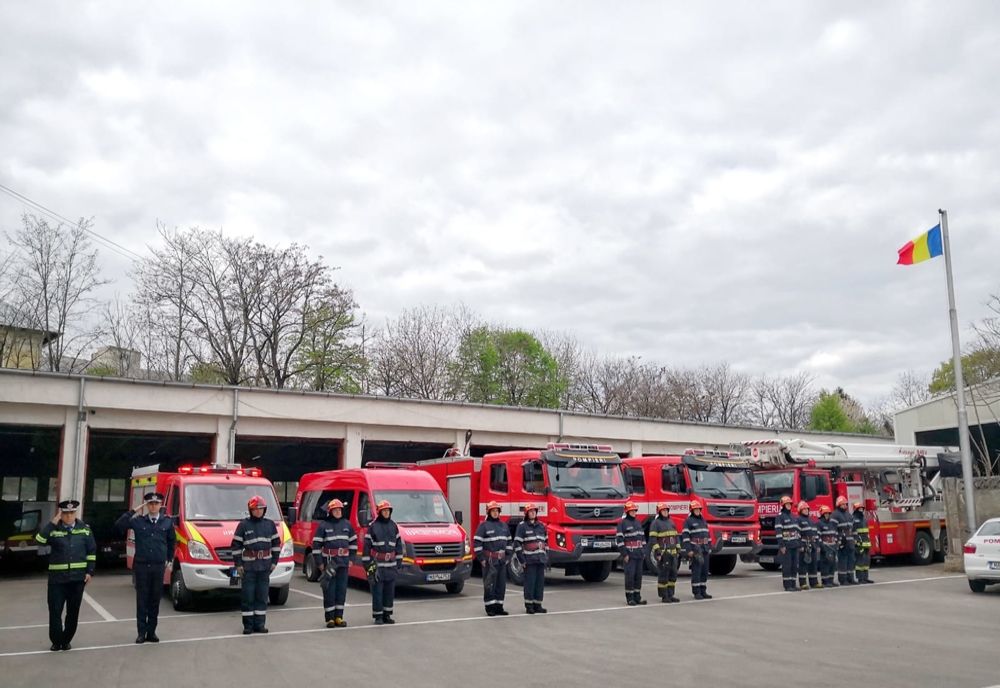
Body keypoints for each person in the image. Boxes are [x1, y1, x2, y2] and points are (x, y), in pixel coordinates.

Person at [34, 500, 96, 651]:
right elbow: (39, 540)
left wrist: (89, 572)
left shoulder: (85, 530)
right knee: (55, 611)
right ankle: (56, 641)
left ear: (76, 513)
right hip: (57, 580)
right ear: (61, 514)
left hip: (77, 579)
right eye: (66, 513)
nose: (69, 516)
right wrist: (52, 523)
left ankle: (66, 640)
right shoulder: (54, 529)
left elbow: (91, 552)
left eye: (72, 513)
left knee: (73, 612)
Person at [115, 492, 175, 643]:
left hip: (158, 566)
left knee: (155, 600)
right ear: (147, 505)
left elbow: (171, 541)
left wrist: (169, 559)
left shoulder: (167, 522)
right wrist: (133, 511)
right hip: (142, 566)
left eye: (156, 503)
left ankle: (151, 632)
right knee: (142, 600)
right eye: (150, 504)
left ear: (160, 505)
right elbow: (119, 525)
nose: (153, 506)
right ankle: (141, 632)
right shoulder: (138, 521)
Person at [231, 495, 280, 634]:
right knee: (248, 597)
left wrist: (274, 562)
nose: (258, 511)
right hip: (249, 568)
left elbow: (276, 544)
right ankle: (248, 625)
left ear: (264, 510)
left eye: (261, 509)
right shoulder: (243, 525)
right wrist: (238, 564)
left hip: (265, 567)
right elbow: (236, 546)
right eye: (255, 509)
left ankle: (260, 624)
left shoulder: (270, 525)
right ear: (250, 510)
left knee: (262, 597)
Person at [312, 498, 357, 627]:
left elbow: (353, 543)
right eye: (335, 510)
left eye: (339, 510)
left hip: (343, 563)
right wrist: (320, 563)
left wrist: (351, 559)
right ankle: (330, 618)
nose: (338, 512)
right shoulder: (323, 526)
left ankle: (339, 617)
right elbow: (316, 546)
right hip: (329, 563)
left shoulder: (347, 525)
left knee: (341, 591)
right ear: (330, 512)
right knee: (329, 591)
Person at [364, 499, 402, 624]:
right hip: (378, 565)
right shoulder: (373, 527)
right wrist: (367, 565)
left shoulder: (393, 526)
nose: (386, 513)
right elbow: (367, 547)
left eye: (388, 510)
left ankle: (387, 615)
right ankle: (378, 616)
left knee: (389, 592)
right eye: (384, 511)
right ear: (379, 512)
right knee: (377, 592)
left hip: (391, 565)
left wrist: (399, 561)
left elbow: (398, 545)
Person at [474, 500, 512, 616]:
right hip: (489, 561)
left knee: (501, 585)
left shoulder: (504, 526)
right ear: (489, 512)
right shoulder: (483, 526)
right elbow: (477, 543)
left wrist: (508, 557)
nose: (495, 513)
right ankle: (490, 607)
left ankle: (499, 607)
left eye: (497, 511)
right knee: (490, 584)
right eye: (493, 511)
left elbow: (509, 542)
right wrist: (481, 559)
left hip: (501, 561)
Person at [513, 503, 548, 614]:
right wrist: (522, 560)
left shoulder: (541, 526)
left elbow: (546, 542)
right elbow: (517, 544)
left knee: (539, 584)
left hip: (540, 560)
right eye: (530, 511)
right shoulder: (522, 526)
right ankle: (529, 605)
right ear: (526, 513)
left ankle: (538, 604)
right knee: (530, 583)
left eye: (534, 511)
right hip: (529, 561)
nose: (533, 513)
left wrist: (546, 558)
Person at [648, 502, 681, 603]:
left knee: (673, 574)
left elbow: (676, 536)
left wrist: (678, 548)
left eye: (666, 510)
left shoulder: (671, 522)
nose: (665, 512)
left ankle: (671, 594)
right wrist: (658, 552)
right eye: (663, 510)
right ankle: (664, 596)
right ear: (659, 512)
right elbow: (653, 540)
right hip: (663, 554)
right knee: (664, 575)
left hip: (673, 554)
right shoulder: (655, 523)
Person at [616, 501, 647, 606]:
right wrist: (624, 554)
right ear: (627, 511)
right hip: (630, 555)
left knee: (638, 577)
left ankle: (637, 597)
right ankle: (630, 598)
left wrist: (644, 551)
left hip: (639, 554)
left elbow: (642, 538)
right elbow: (620, 541)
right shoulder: (622, 523)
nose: (633, 512)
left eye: (634, 510)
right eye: (631, 511)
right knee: (630, 576)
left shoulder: (638, 522)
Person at [682, 500, 712, 600]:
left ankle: (703, 590)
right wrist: (689, 550)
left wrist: (709, 546)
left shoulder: (703, 520)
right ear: (692, 510)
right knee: (697, 571)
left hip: (705, 549)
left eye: (699, 509)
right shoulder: (688, 521)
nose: (697, 511)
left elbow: (708, 534)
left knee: (705, 571)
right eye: (695, 509)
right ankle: (696, 592)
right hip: (696, 550)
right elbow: (685, 537)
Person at [775, 495, 801, 591]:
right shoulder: (780, 517)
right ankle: (787, 585)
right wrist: (781, 545)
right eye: (787, 504)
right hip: (786, 546)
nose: (789, 505)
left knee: (794, 566)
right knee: (787, 566)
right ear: (783, 505)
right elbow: (778, 532)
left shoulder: (793, 516)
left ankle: (793, 584)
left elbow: (797, 531)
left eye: (790, 504)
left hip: (795, 545)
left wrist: (799, 543)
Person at [832, 496, 856, 585]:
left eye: (845, 504)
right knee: (843, 562)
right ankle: (843, 579)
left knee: (851, 561)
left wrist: (855, 539)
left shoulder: (849, 515)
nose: (844, 506)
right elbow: (833, 530)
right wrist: (837, 541)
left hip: (850, 543)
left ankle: (851, 578)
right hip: (842, 543)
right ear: (838, 505)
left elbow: (853, 529)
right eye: (842, 504)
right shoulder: (835, 515)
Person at [796, 501, 819, 590]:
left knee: (813, 564)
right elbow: (797, 534)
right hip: (804, 545)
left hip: (812, 545)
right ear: (800, 511)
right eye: (804, 509)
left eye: (807, 509)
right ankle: (803, 583)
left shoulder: (811, 520)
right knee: (803, 565)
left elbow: (815, 533)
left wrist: (816, 545)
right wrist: (800, 545)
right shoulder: (798, 520)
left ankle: (814, 583)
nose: (806, 510)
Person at [816, 506, 839, 588]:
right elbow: (818, 537)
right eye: (825, 514)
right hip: (825, 547)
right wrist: (821, 546)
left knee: (832, 564)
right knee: (825, 565)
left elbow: (835, 534)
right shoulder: (819, 524)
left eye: (828, 514)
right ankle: (825, 581)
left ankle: (831, 580)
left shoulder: (832, 524)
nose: (827, 515)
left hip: (833, 547)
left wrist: (836, 543)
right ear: (822, 515)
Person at [853, 502, 874, 584]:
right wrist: (856, 541)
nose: (861, 510)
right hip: (859, 543)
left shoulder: (864, 519)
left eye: (862, 508)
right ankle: (860, 578)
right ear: (856, 509)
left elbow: (866, 532)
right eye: (859, 509)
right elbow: (853, 532)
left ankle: (865, 578)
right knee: (860, 562)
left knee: (866, 561)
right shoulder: (854, 519)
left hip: (866, 543)